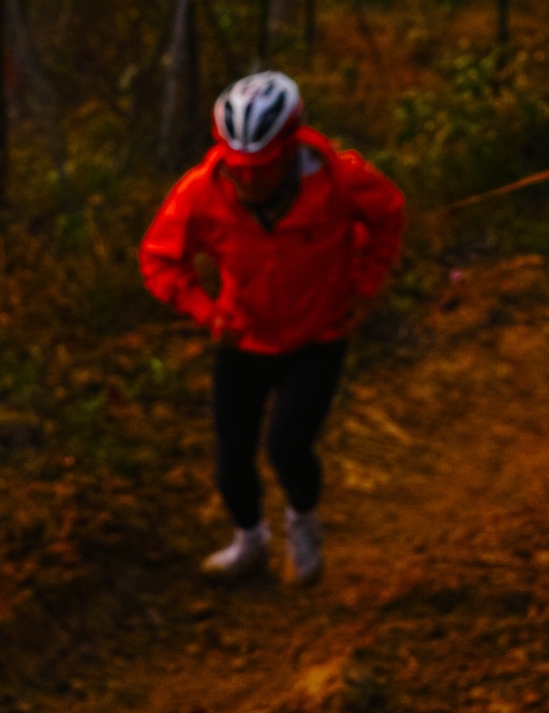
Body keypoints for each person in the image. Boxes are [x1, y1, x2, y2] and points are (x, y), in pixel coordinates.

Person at [139, 71, 406, 585]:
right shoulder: (201, 192)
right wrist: (206, 311)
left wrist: (366, 285)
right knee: (231, 457)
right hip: (244, 338)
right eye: (238, 167)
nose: (247, 179)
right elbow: (159, 259)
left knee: (287, 447)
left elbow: (388, 213)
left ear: (288, 150)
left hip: (319, 336)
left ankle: (303, 526)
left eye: (259, 168)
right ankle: (250, 541)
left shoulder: (337, 179)